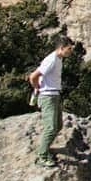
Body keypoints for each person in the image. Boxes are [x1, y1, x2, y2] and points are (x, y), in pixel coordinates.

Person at [29, 38, 76, 167]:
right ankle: (42, 156)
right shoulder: (51, 60)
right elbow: (33, 76)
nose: (70, 51)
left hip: (54, 95)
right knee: (50, 128)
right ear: (61, 48)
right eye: (69, 49)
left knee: (58, 125)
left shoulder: (58, 59)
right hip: (48, 96)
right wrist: (37, 88)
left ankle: (45, 148)